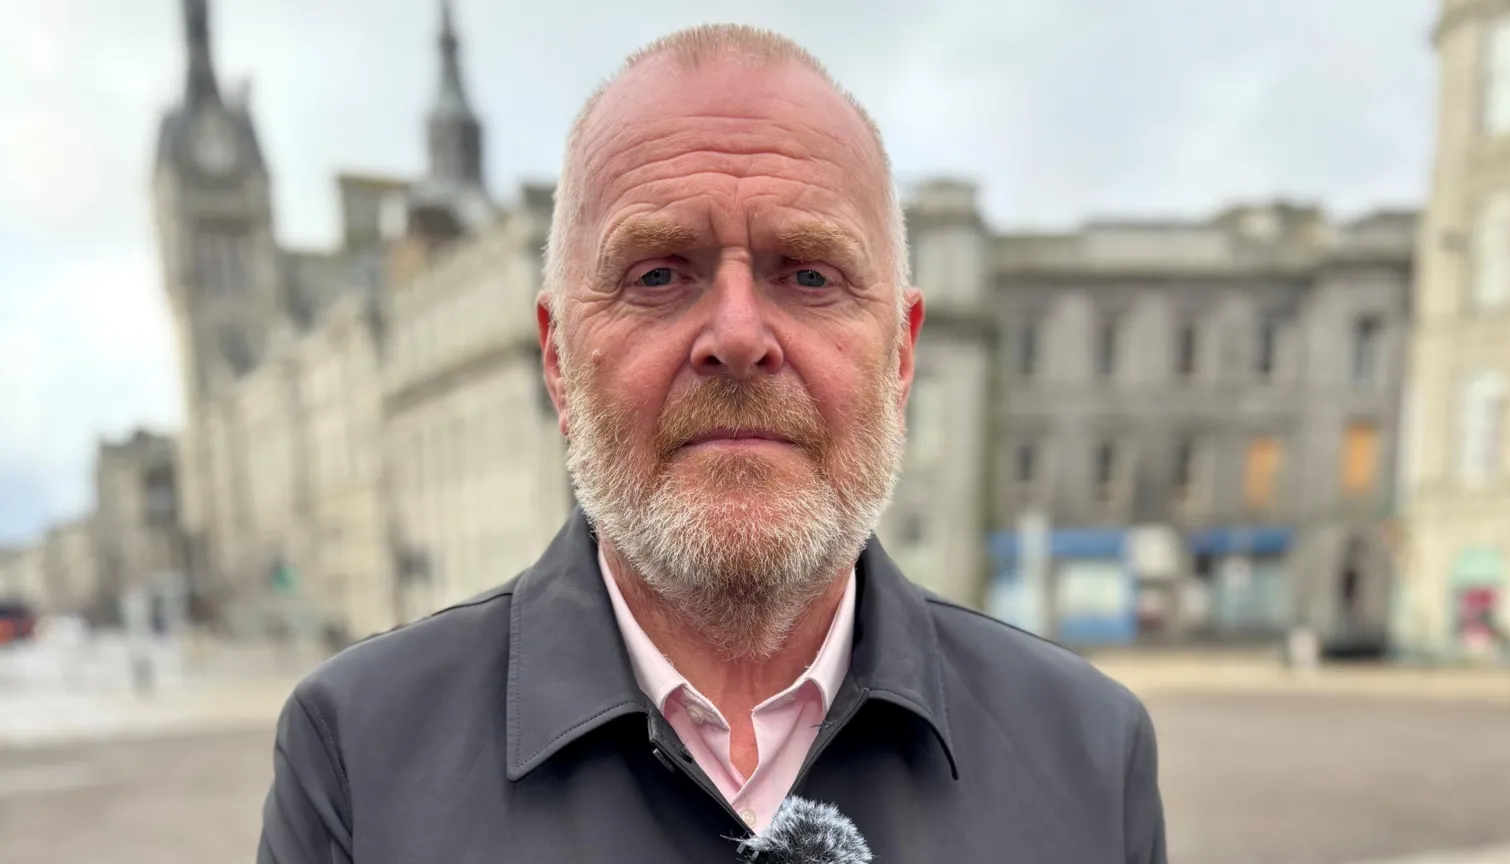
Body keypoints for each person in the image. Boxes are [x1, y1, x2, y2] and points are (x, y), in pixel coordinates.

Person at [258, 24, 1166, 863]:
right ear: (559, 361)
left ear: (901, 355)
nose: (737, 334)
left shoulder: (1089, 755)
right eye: (658, 274)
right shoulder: (357, 759)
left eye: (809, 274)